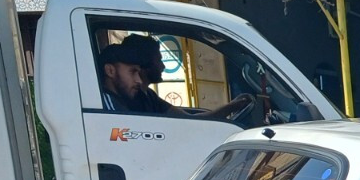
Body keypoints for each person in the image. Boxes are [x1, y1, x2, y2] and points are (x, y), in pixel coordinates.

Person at [103, 34, 255, 120]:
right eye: (159, 60)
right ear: (146, 65)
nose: (162, 66)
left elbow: (190, 120)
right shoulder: (110, 107)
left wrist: (233, 106)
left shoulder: (147, 96)